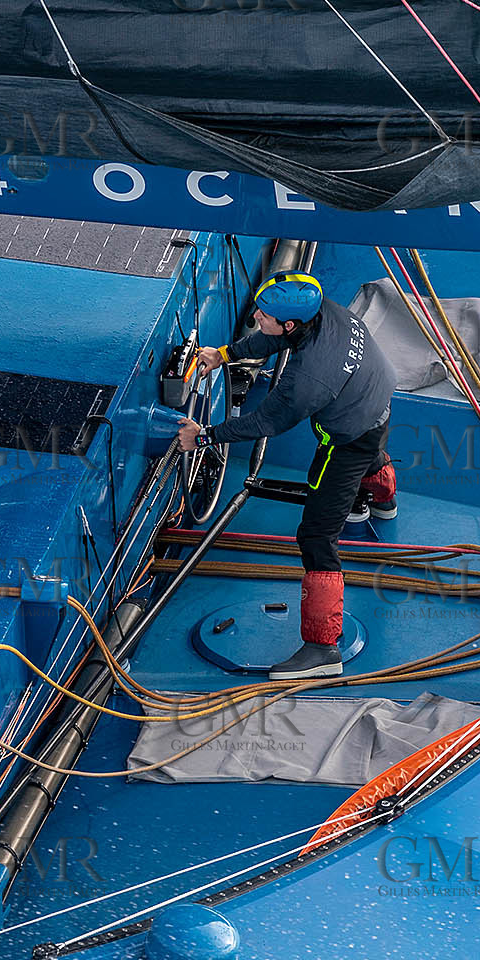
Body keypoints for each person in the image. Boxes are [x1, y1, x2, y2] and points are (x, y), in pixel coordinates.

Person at [179, 270, 398, 680]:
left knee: (316, 536)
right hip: (376, 399)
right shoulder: (323, 310)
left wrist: (204, 436)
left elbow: (265, 421)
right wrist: (224, 354)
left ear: (291, 323)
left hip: (349, 436)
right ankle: (383, 503)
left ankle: (322, 648)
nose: (256, 318)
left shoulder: (306, 380)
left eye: (263, 315)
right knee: (373, 450)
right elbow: (273, 336)